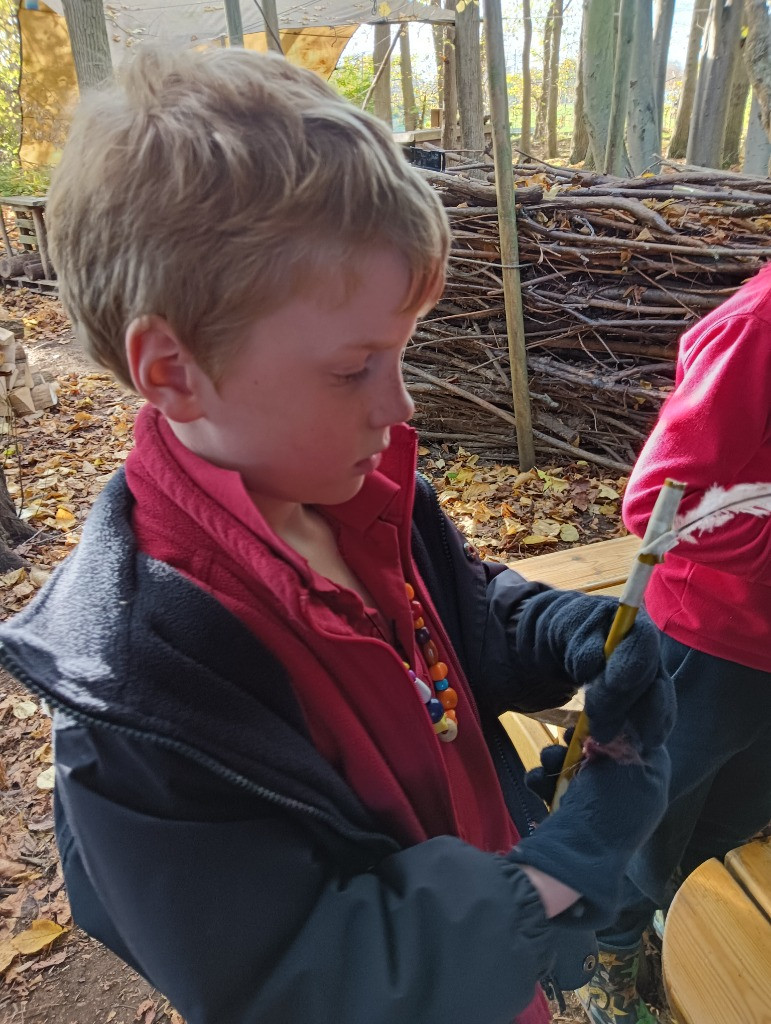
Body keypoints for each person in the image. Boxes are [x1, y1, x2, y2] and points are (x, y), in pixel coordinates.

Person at [0, 48, 673, 1024]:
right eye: (356, 366)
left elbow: (444, 616)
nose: (399, 406)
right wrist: (570, 869)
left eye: (401, 355)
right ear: (173, 369)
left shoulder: (348, 495)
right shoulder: (137, 706)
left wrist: (547, 630)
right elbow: (310, 977)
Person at [579, 265, 771, 1024]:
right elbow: (663, 504)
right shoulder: (758, 327)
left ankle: (671, 915)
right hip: (706, 641)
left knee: (738, 806)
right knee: (649, 811)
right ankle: (607, 949)